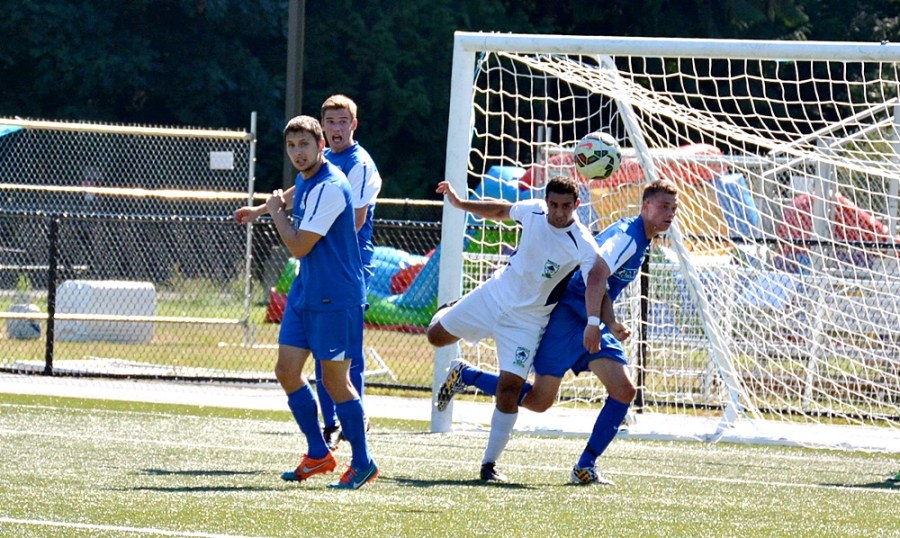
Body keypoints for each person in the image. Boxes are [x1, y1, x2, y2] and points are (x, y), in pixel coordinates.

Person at [437, 178, 679, 485]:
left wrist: (608, 322)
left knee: (624, 390)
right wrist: (596, 322)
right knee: (539, 402)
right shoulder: (627, 236)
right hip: (568, 318)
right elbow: (596, 274)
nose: (670, 213)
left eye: (673, 208)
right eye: (663, 206)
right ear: (645, 206)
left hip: (591, 318)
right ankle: (466, 375)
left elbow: (601, 283)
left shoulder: (643, 238)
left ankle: (585, 466)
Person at [428, 175, 606, 483]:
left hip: (527, 322)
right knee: (436, 337)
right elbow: (500, 210)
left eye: (566, 206)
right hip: (494, 295)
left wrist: (595, 322)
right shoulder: (533, 209)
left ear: (577, 205)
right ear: (546, 201)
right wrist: (459, 202)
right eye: (554, 204)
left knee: (509, 391)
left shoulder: (583, 243)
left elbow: (596, 281)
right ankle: (452, 309)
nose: (558, 212)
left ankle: (489, 464)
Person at [235, 94, 382, 450]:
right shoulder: (317, 164)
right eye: (330, 121)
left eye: (342, 121)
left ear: (353, 125)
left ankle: (355, 435)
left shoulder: (358, 166)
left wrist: (288, 221)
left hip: (344, 270)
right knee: (296, 365)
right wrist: (260, 210)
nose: (336, 128)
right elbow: (295, 190)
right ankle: (326, 436)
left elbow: (352, 222)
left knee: (342, 363)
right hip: (312, 271)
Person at [262, 115, 376, 489]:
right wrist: (264, 209)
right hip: (306, 292)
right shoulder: (305, 180)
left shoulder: (330, 186)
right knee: (286, 370)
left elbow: (298, 245)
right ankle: (318, 453)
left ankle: (363, 463)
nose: (298, 153)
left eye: (305, 145)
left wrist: (275, 212)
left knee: (335, 381)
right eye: (291, 146)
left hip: (336, 297)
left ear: (321, 146)